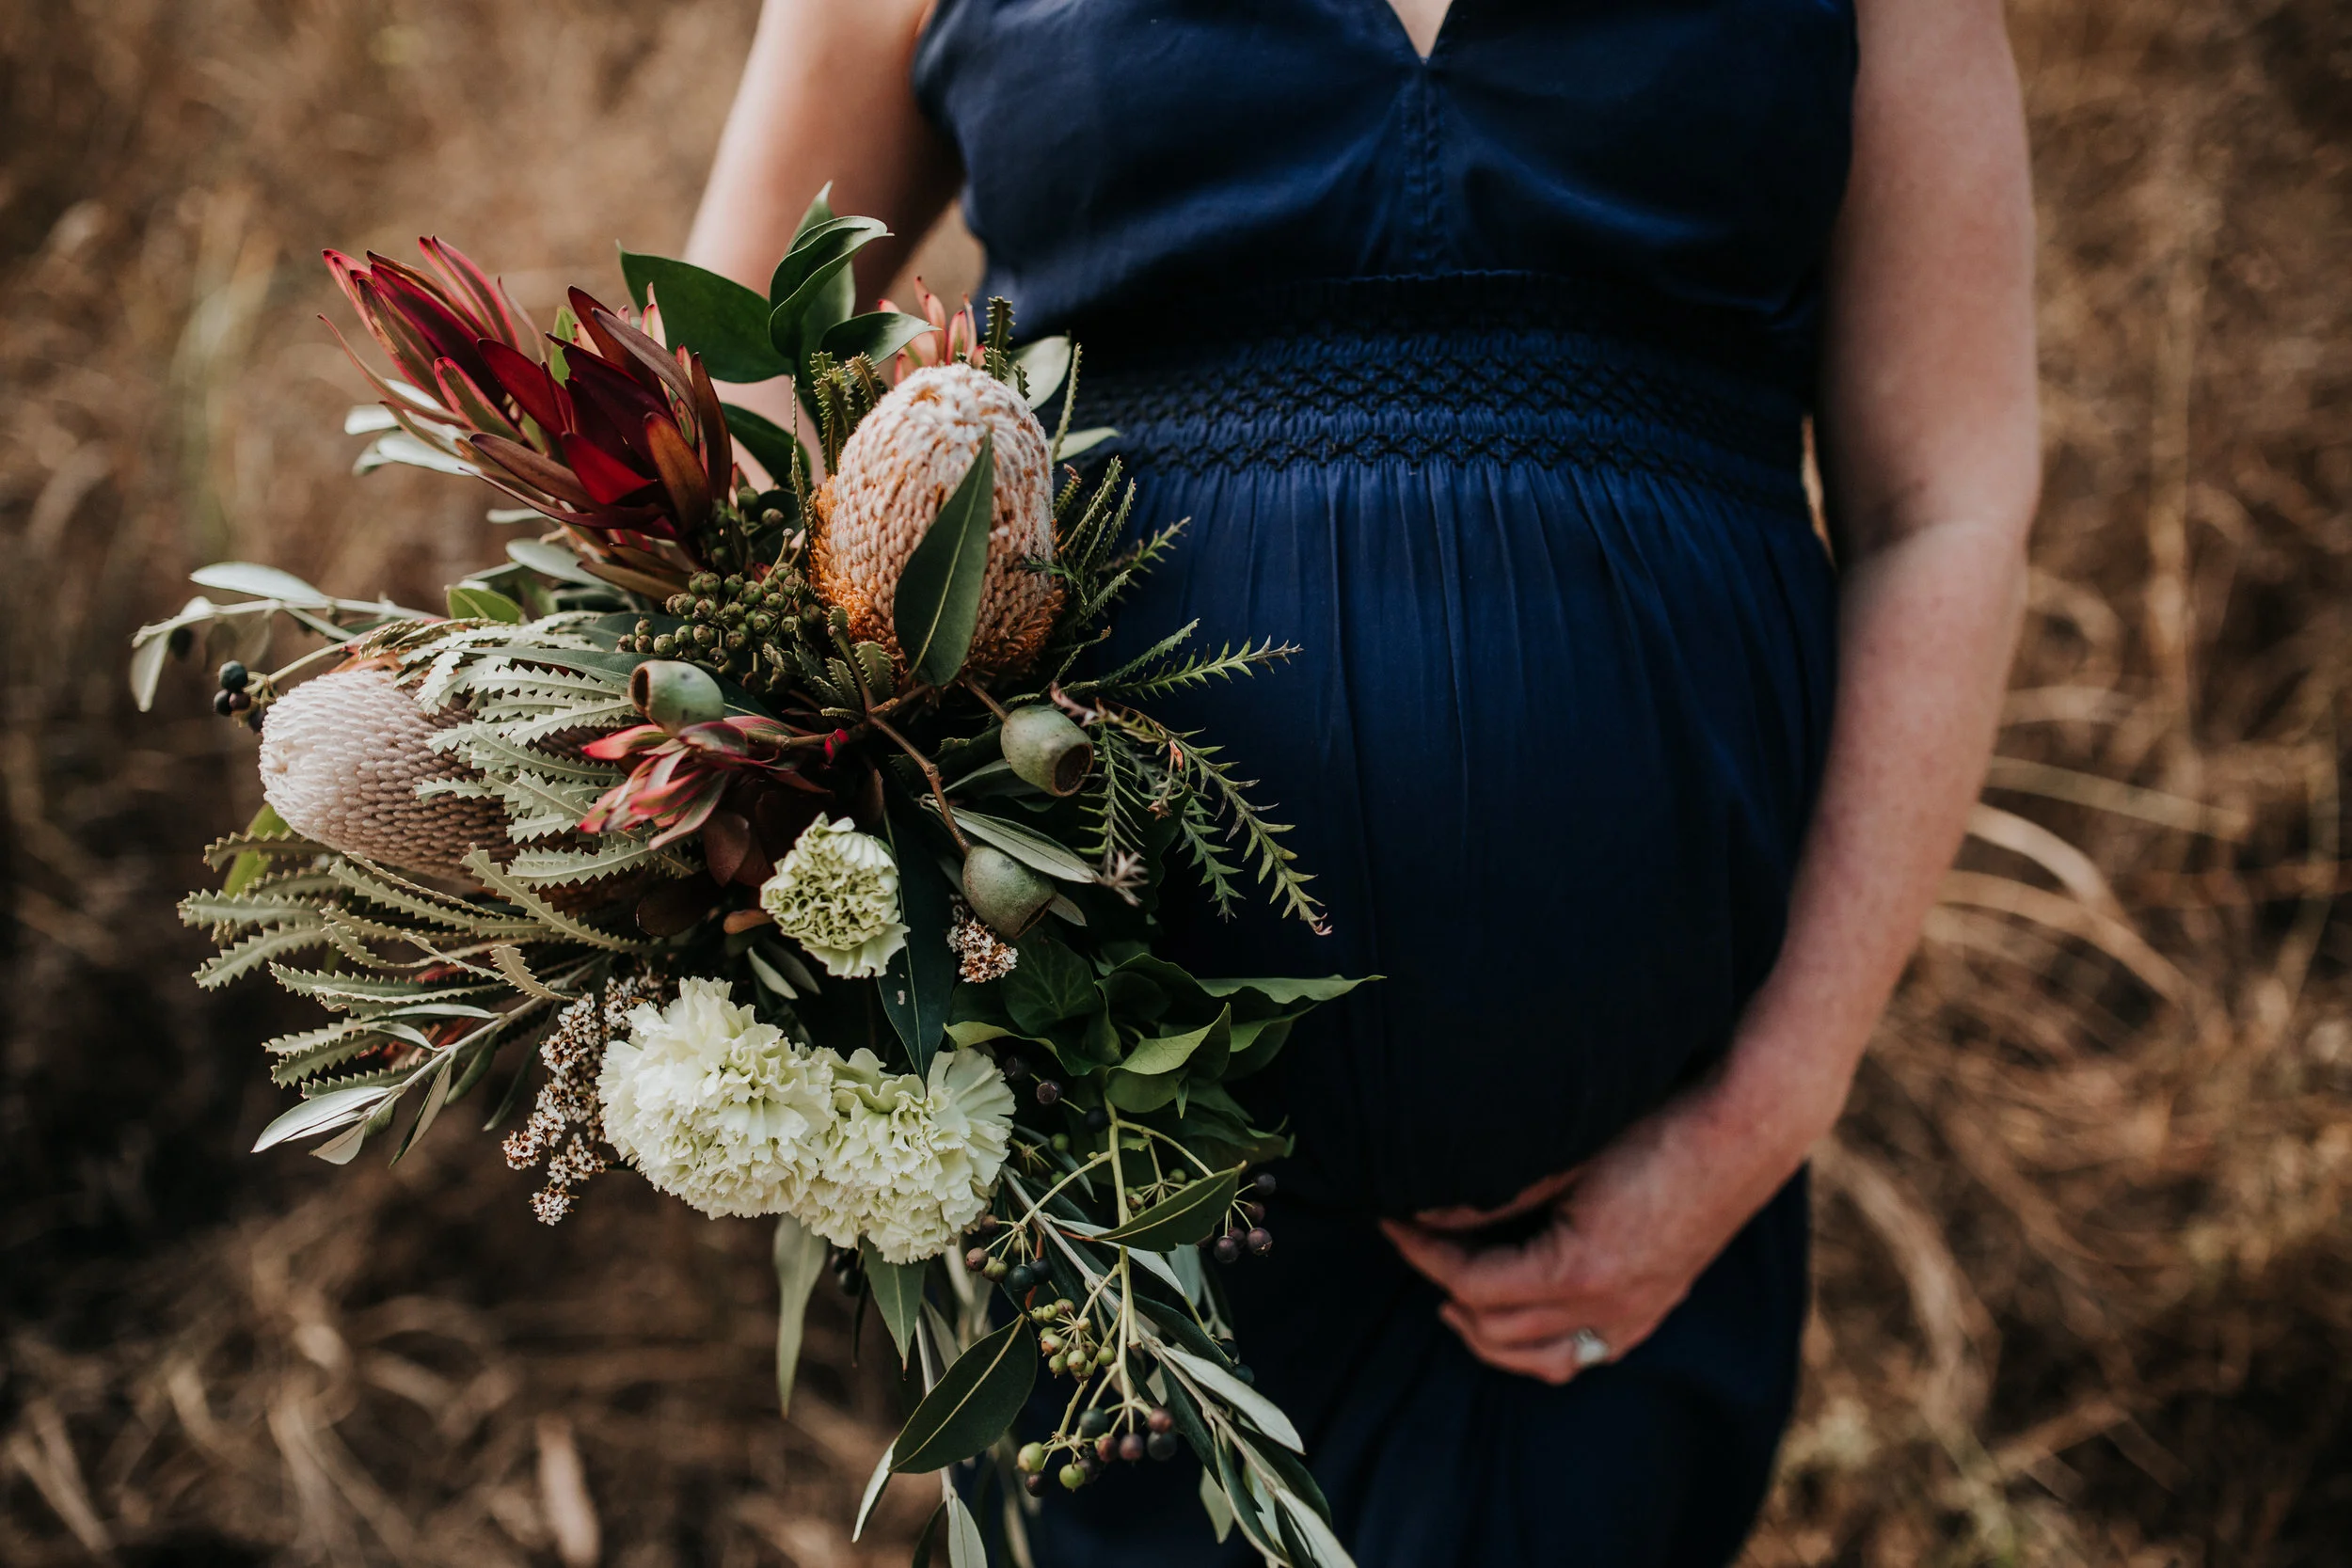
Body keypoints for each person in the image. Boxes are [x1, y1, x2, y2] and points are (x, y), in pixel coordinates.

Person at [685, 1, 2038, 1563]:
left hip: (1626, 1234)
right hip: (1115, 1225)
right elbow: (728, 400)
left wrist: (1773, 1101)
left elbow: (1944, 496)